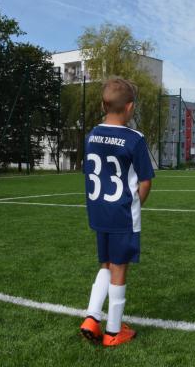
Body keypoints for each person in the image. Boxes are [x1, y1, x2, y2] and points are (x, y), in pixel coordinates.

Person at [80, 78, 154, 347]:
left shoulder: (91, 136)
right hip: (122, 213)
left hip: (98, 211)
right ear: (130, 107)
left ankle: (91, 317)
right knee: (119, 267)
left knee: (105, 264)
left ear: (103, 105)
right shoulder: (135, 139)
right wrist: (135, 205)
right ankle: (113, 331)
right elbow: (145, 181)